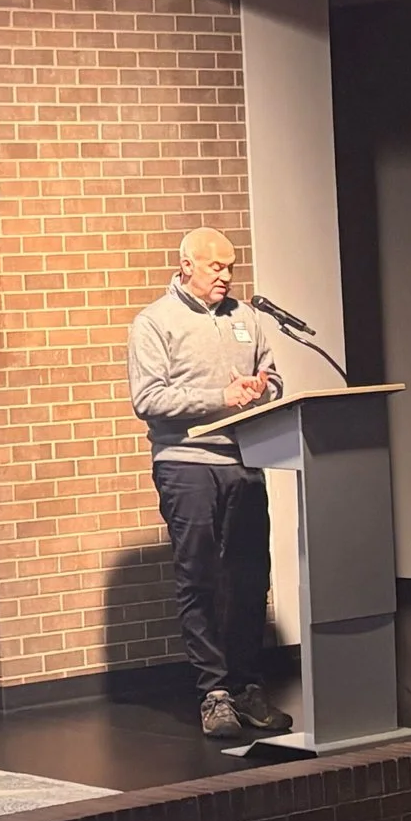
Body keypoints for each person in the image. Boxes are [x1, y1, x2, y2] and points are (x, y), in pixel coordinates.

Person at [127, 227, 295, 742]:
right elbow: (148, 399)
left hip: (245, 461)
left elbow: (274, 380)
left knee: (250, 577)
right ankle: (214, 692)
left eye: (230, 267)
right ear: (186, 266)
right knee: (199, 576)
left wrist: (262, 389)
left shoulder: (248, 318)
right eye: (215, 267)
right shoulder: (155, 322)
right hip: (186, 463)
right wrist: (222, 396)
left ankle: (246, 686)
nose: (226, 276)